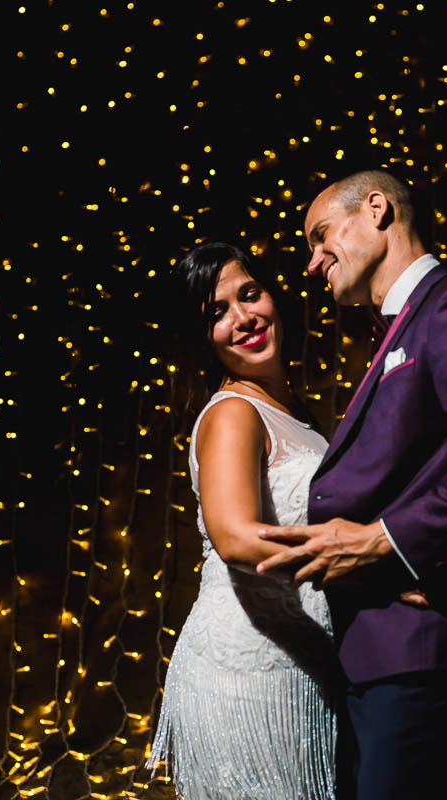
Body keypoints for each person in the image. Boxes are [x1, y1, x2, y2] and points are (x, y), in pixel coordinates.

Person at [257, 170, 447, 799]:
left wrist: (383, 542)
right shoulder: (398, 330)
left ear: (377, 210)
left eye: (320, 236)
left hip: (427, 660)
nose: (312, 263)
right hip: (382, 662)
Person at [145, 242, 341, 800]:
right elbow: (232, 535)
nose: (244, 318)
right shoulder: (234, 411)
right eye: (217, 313)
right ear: (201, 337)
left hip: (301, 659)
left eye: (249, 294)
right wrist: (357, 558)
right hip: (247, 669)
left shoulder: (295, 411)